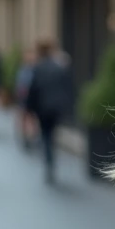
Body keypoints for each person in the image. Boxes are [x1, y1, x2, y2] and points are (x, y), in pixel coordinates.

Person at [24, 39, 74, 182]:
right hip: (55, 107)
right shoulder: (58, 66)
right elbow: (67, 87)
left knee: (45, 133)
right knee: (51, 133)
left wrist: (29, 107)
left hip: (42, 107)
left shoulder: (38, 68)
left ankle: (48, 158)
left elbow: (33, 89)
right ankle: (50, 156)